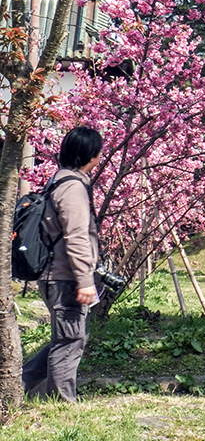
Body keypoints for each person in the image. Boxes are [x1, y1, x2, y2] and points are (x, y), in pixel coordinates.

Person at [22, 126, 104, 402]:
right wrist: (85, 281)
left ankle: (18, 384)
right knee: (70, 340)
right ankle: (60, 402)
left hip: (56, 275)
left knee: (67, 337)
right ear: (90, 155)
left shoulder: (59, 180)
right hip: (64, 277)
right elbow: (76, 236)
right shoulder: (72, 187)